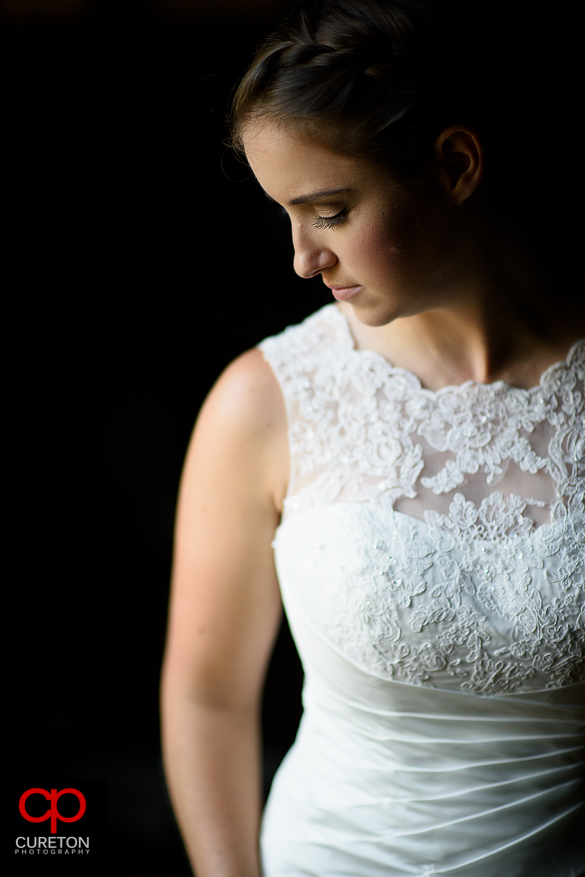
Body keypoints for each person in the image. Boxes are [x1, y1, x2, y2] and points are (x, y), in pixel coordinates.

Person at [160, 1, 585, 874]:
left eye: (331, 209)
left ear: (455, 165)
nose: (301, 258)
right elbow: (206, 697)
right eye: (285, 213)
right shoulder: (264, 402)